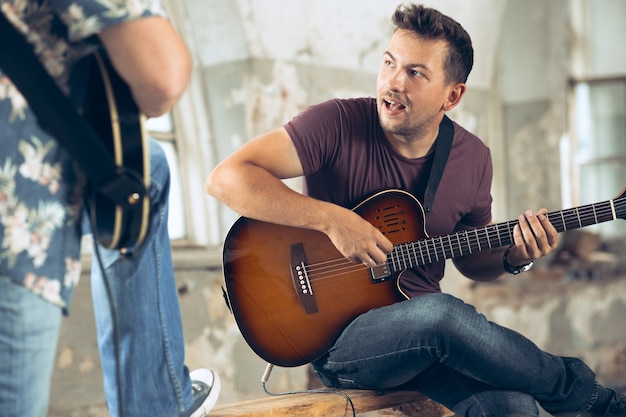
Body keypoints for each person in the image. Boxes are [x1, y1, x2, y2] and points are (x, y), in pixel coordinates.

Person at [206, 3, 625, 416]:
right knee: (442, 316)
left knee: (511, 406)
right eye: (389, 63)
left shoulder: (473, 158)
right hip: (344, 341)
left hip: (429, 340)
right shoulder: (335, 123)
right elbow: (226, 178)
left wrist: (516, 257)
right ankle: (592, 400)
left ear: (452, 95)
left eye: (414, 73)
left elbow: (472, 260)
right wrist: (332, 220)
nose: (392, 82)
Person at [0, 1, 219, 417]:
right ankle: (152, 405)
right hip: (14, 217)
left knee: (147, 166)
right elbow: (162, 77)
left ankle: (152, 400)